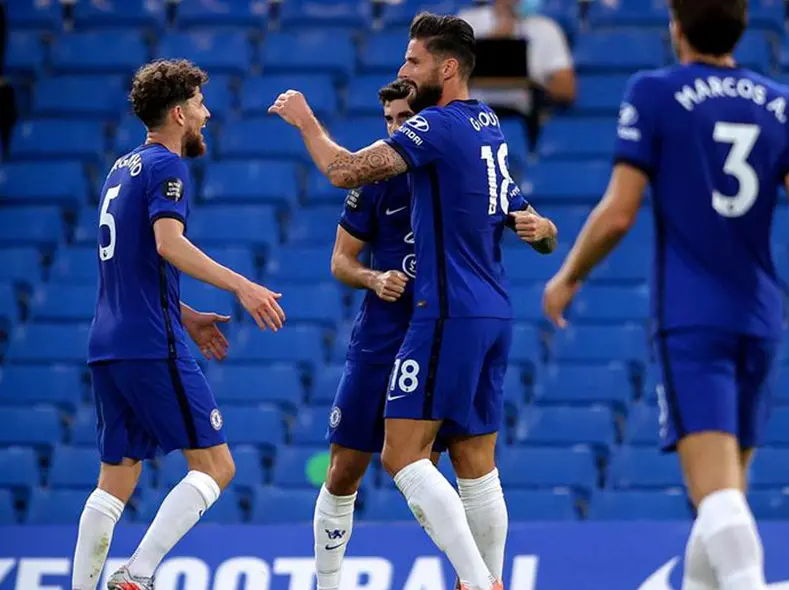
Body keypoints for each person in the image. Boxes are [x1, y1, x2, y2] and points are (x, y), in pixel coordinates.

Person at [541, 1, 789, 589]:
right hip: (759, 316)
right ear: (742, 28)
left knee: (715, 495)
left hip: (692, 316)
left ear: (677, 26)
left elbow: (619, 212)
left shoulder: (654, 92)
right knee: (725, 496)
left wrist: (568, 275)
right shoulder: (782, 102)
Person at [270, 14, 558, 590]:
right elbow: (529, 220)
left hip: (446, 311)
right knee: (476, 464)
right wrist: (544, 230)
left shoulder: (439, 126)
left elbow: (343, 169)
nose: (404, 69)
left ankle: (478, 581)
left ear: (447, 68)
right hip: (491, 311)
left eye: (413, 60)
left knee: (402, 456)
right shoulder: (486, 125)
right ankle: (488, 576)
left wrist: (305, 122)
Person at [71, 59, 286, 590]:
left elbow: (132, 261)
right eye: (199, 104)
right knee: (216, 467)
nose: (206, 114)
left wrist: (183, 313)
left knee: (116, 477)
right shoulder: (168, 166)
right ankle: (138, 575)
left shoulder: (121, 168)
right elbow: (168, 244)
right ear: (178, 114)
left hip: (108, 343)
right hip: (149, 342)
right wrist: (241, 285)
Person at [312, 78, 426, 590]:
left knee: (428, 468)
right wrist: (374, 278)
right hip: (379, 338)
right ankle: (327, 583)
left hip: (438, 335)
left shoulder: (455, 170)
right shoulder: (373, 179)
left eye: (406, 119)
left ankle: (475, 575)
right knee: (343, 471)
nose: (395, 130)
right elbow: (340, 260)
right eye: (389, 121)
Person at [456, 0, 576, 115]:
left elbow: (567, 90)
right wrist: (493, 46)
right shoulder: (467, 22)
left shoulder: (547, 29)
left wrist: (535, 85)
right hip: (471, 115)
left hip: (524, 116)